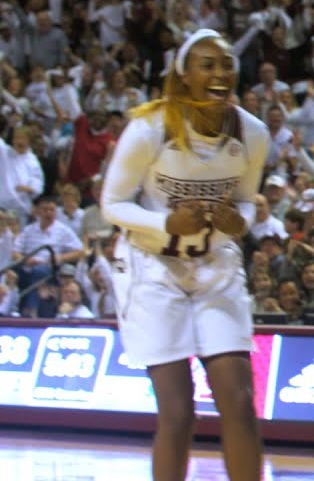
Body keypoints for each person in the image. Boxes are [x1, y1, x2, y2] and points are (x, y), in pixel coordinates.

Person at [101, 29, 269, 481]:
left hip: (215, 265)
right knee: (178, 412)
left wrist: (242, 221)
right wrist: (165, 223)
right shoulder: (150, 128)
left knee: (237, 401)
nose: (220, 74)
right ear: (185, 75)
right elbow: (111, 204)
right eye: (207, 65)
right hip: (154, 267)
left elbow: (248, 200)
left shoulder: (252, 133)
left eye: (227, 65)